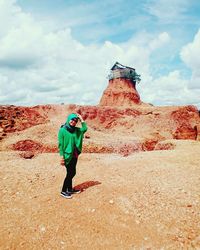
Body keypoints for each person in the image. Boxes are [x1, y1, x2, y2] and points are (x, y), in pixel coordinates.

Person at [58, 113, 87, 199]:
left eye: (75, 121)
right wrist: (62, 156)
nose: (73, 122)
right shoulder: (62, 130)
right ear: (68, 119)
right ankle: (63, 191)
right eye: (72, 120)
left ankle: (70, 189)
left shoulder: (76, 130)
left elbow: (84, 128)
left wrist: (81, 119)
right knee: (70, 173)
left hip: (75, 154)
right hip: (67, 155)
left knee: (72, 172)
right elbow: (60, 144)